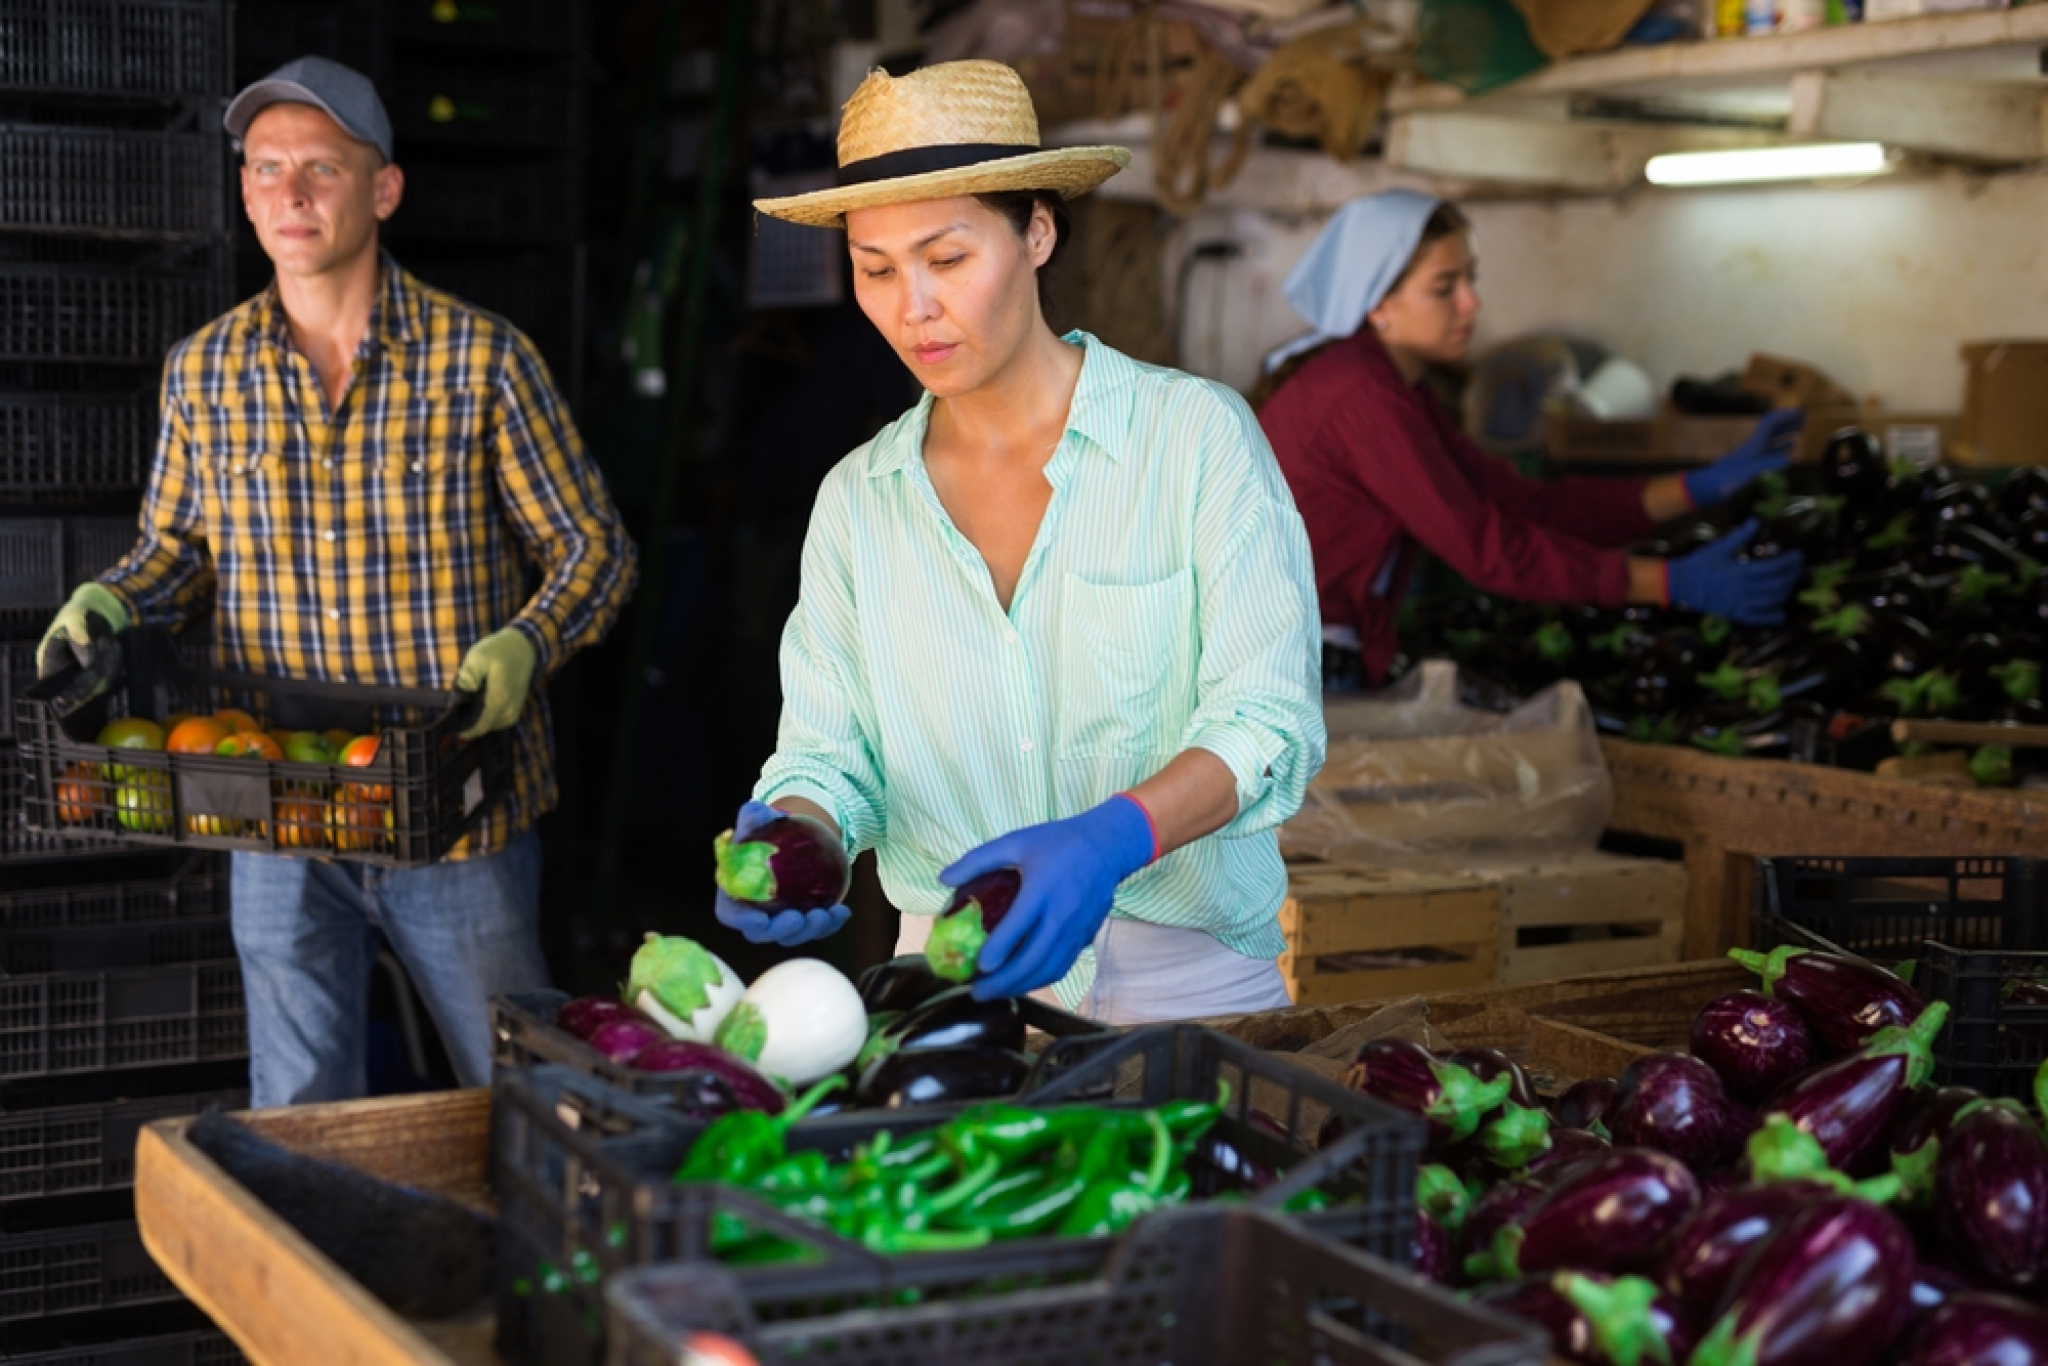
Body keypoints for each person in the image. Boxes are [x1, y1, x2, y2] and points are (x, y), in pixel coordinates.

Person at [34, 57, 638, 1106]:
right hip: (270, 800)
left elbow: (595, 549)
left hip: (455, 813)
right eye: (266, 169)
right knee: (298, 1102)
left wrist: (528, 641)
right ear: (245, 192)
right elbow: (177, 547)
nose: (291, 193)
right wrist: (113, 598)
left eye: (321, 166)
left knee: (520, 1095)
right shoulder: (205, 369)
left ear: (383, 189)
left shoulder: (482, 360)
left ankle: (541, 1271)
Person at [718, 60, 1324, 1023]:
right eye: (876, 270)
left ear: (1037, 231)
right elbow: (830, 757)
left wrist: (1115, 836)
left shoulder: (1195, 440)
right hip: (954, 996)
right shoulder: (857, 504)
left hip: (1193, 992)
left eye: (947, 259)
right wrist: (801, 840)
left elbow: (1270, 721)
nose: (912, 306)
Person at [1255, 190, 1805, 688]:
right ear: (1378, 306)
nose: (1471, 303)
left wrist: (1697, 487)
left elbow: (1521, 504)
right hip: (1287, 672)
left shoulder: (1397, 390)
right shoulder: (1360, 398)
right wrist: (1667, 582)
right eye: (1445, 288)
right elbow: (1484, 549)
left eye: (1471, 279)